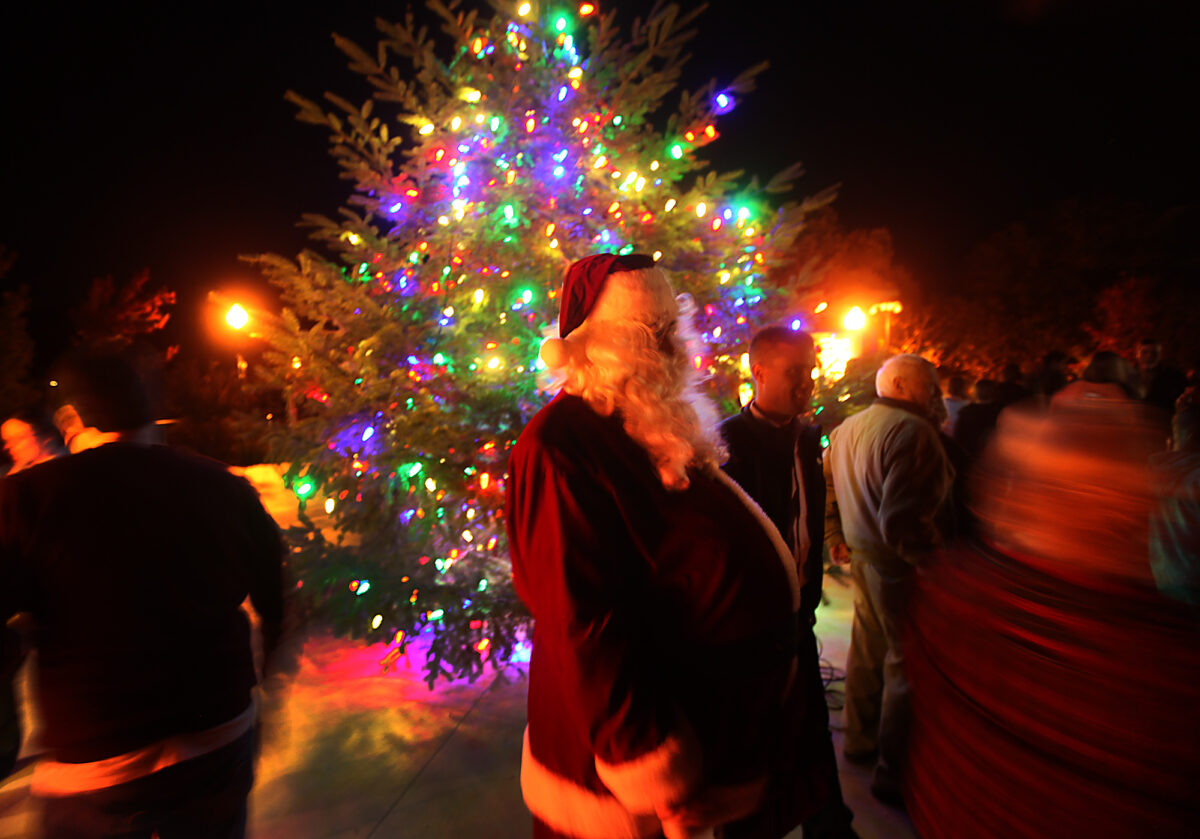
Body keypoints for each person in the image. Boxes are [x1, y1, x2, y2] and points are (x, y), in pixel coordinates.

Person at [507, 254, 821, 839]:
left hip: (721, 746)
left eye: (668, 331)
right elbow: (584, 624)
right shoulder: (559, 444)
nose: (666, 350)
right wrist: (656, 773)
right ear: (592, 344)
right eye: (643, 335)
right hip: (635, 799)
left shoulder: (650, 423)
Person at [0, 347, 286, 838]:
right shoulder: (224, 487)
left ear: (70, 418)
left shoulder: (28, 500)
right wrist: (267, 675)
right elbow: (273, 592)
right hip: (221, 739)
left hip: (98, 773)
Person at [719, 326, 857, 839]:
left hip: (798, 616)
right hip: (751, 630)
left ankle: (830, 826)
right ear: (758, 372)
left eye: (809, 369)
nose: (807, 381)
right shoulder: (728, 444)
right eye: (794, 371)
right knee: (753, 746)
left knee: (812, 733)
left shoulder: (804, 436)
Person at [823, 354, 953, 807]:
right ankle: (890, 770)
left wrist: (837, 535)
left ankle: (859, 742)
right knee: (903, 661)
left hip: (864, 557)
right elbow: (902, 520)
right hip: (896, 564)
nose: (935, 393)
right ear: (900, 383)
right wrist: (932, 565)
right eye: (929, 385)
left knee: (867, 649)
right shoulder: (914, 433)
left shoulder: (847, 429)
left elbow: (830, 488)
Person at [2, 408, 65, 475]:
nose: (7, 447)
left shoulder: (64, 465)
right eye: (7, 441)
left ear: (46, 437)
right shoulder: (11, 471)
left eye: (16, 439)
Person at [1135, 337, 1188, 418]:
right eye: (1144, 352)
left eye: (1154, 353)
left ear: (1160, 355)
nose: (1149, 356)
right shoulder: (1127, 376)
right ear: (1137, 354)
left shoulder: (1174, 377)